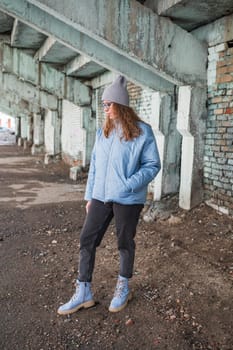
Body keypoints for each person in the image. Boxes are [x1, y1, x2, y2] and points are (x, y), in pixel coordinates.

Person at [57, 75, 161, 315]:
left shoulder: (142, 132)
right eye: (103, 104)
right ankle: (83, 291)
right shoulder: (103, 131)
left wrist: (128, 185)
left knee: (124, 243)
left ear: (121, 105)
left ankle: (123, 286)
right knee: (87, 239)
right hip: (100, 197)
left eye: (109, 104)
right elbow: (94, 165)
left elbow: (152, 165)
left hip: (128, 198)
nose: (105, 108)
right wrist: (90, 196)